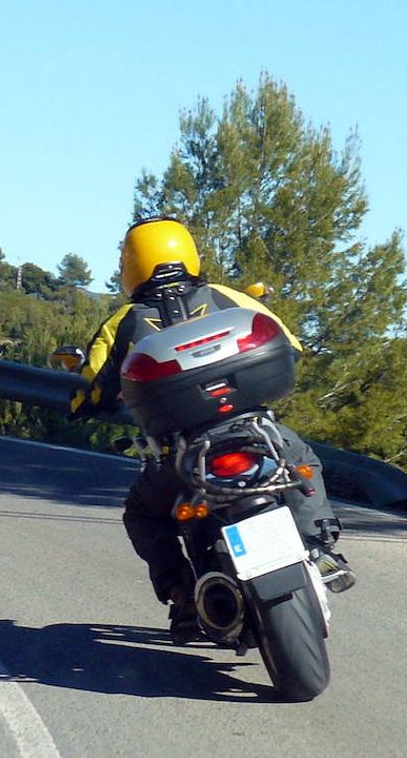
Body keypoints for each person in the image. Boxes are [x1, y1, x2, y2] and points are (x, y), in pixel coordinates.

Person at [69, 217, 355, 644]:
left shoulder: (123, 322)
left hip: (183, 454)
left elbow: (92, 387)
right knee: (301, 461)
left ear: (130, 265)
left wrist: (82, 405)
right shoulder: (227, 297)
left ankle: (183, 595)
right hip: (255, 433)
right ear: (188, 253)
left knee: (144, 512)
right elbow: (290, 346)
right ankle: (319, 548)